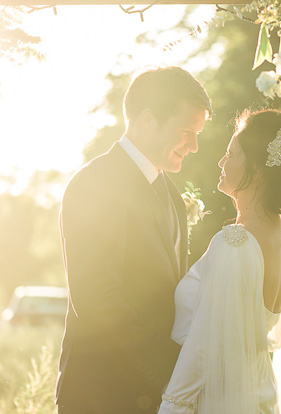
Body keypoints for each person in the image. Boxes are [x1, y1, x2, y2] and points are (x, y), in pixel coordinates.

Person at [56, 66, 212, 414]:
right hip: (100, 395)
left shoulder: (170, 195)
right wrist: (175, 367)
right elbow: (96, 300)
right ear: (147, 119)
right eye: (186, 131)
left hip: (154, 397)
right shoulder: (93, 185)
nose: (195, 146)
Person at [158, 109, 281, 414]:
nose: (221, 162)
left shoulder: (235, 243)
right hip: (257, 396)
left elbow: (203, 348)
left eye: (230, 153)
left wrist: (171, 407)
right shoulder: (276, 235)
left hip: (222, 401)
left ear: (257, 170)